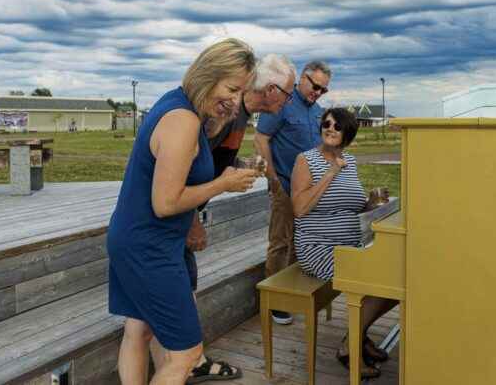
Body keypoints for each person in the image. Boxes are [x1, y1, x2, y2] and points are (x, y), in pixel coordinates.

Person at [107, 38, 260, 385]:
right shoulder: (182, 120)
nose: (236, 100)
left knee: (139, 331)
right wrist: (223, 183)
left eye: (242, 92)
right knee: (188, 354)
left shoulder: (177, 104)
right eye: (232, 88)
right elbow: (165, 203)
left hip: (134, 238)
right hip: (150, 246)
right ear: (209, 75)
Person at [165, 53, 296, 383]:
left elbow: (214, 163)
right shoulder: (222, 116)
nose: (290, 101)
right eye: (288, 93)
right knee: (179, 289)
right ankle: (187, 361)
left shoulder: (240, 119)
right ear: (270, 89)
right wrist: (192, 221)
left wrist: (239, 168)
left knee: (185, 284)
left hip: (184, 213)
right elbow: (187, 173)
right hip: (175, 217)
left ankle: (188, 361)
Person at [290, 108, 398, 379]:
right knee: (376, 280)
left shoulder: (350, 160)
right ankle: (349, 348)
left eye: (337, 126)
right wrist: (329, 172)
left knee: (396, 279)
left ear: (347, 132)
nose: (330, 128)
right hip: (318, 247)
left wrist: (370, 203)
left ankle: (356, 336)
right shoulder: (306, 160)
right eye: (326, 123)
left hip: (352, 244)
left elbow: (350, 207)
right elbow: (300, 209)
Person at [254, 60, 331, 325]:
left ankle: (294, 293)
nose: (318, 92)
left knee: (301, 243)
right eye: (316, 86)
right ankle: (275, 302)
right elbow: (261, 138)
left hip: (308, 192)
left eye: (323, 90)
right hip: (285, 186)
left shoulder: (319, 112)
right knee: (280, 243)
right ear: (303, 78)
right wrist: (273, 178)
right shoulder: (282, 103)